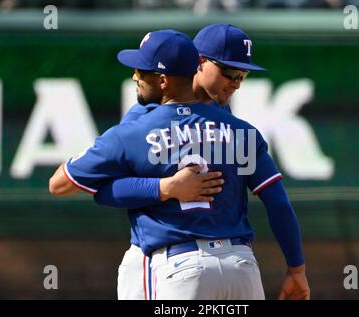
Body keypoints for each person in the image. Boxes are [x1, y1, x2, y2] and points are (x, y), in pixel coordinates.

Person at [49, 29, 310, 300]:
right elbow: (97, 187)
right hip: (164, 257)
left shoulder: (222, 115)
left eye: (242, 75)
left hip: (190, 265)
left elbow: (91, 189)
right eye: (229, 73)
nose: (237, 83)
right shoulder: (146, 114)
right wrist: (166, 187)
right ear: (198, 62)